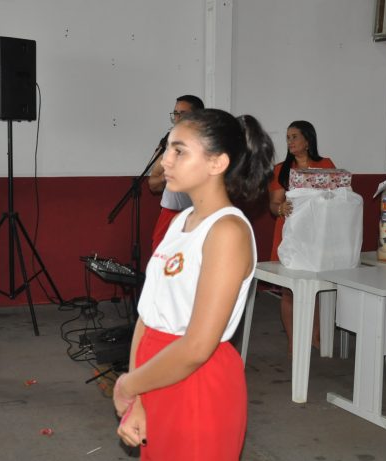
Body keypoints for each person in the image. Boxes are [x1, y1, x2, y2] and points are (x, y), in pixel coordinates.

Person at [113, 109, 274, 459]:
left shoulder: (227, 231)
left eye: (179, 151)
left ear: (217, 163)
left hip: (196, 382)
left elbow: (198, 345)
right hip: (155, 373)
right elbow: (148, 315)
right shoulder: (182, 220)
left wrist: (127, 384)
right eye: (167, 149)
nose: (165, 161)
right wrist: (138, 396)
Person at [268, 120, 335, 354]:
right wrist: (280, 208)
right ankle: (293, 341)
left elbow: (337, 197)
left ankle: (315, 338)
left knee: (316, 287)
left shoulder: (326, 165)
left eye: (294, 136)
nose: (290, 141)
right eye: (288, 137)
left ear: (308, 140)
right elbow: (274, 204)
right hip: (289, 235)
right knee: (289, 290)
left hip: (316, 235)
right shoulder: (281, 168)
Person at [147, 95, 204, 252]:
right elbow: (152, 184)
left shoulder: (207, 143)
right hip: (169, 213)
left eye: (183, 113)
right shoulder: (170, 143)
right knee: (160, 257)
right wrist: (167, 176)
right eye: (175, 113)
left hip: (196, 214)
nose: (177, 118)